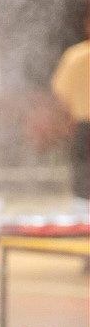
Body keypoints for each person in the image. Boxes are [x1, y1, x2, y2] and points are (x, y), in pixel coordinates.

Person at [50, 12, 90, 201]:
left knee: (83, 177)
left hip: (83, 126)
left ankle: (83, 216)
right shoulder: (75, 56)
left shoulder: (74, 56)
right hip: (83, 125)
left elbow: (60, 94)